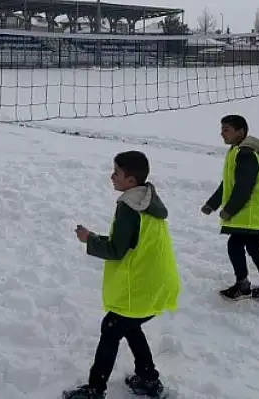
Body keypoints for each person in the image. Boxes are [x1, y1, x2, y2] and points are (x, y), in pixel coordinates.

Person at [63, 151, 180, 399]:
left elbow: (117, 250)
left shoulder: (129, 207)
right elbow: (129, 243)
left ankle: (95, 390)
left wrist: (89, 240)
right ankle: (148, 379)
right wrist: (95, 238)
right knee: (129, 325)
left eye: (116, 172)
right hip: (155, 282)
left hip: (140, 285)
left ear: (130, 180)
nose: (111, 176)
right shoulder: (147, 201)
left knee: (112, 327)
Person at [201, 114, 259, 301]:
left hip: (249, 211)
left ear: (240, 132)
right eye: (221, 129)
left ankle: (243, 285)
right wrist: (212, 204)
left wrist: (229, 210)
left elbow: (243, 187)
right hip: (249, 212)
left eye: (226, 130)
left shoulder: (246, 155)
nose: (222, 134)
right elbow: (228, 184)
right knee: (254, 246)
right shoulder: (237, 151)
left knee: (235, 244)